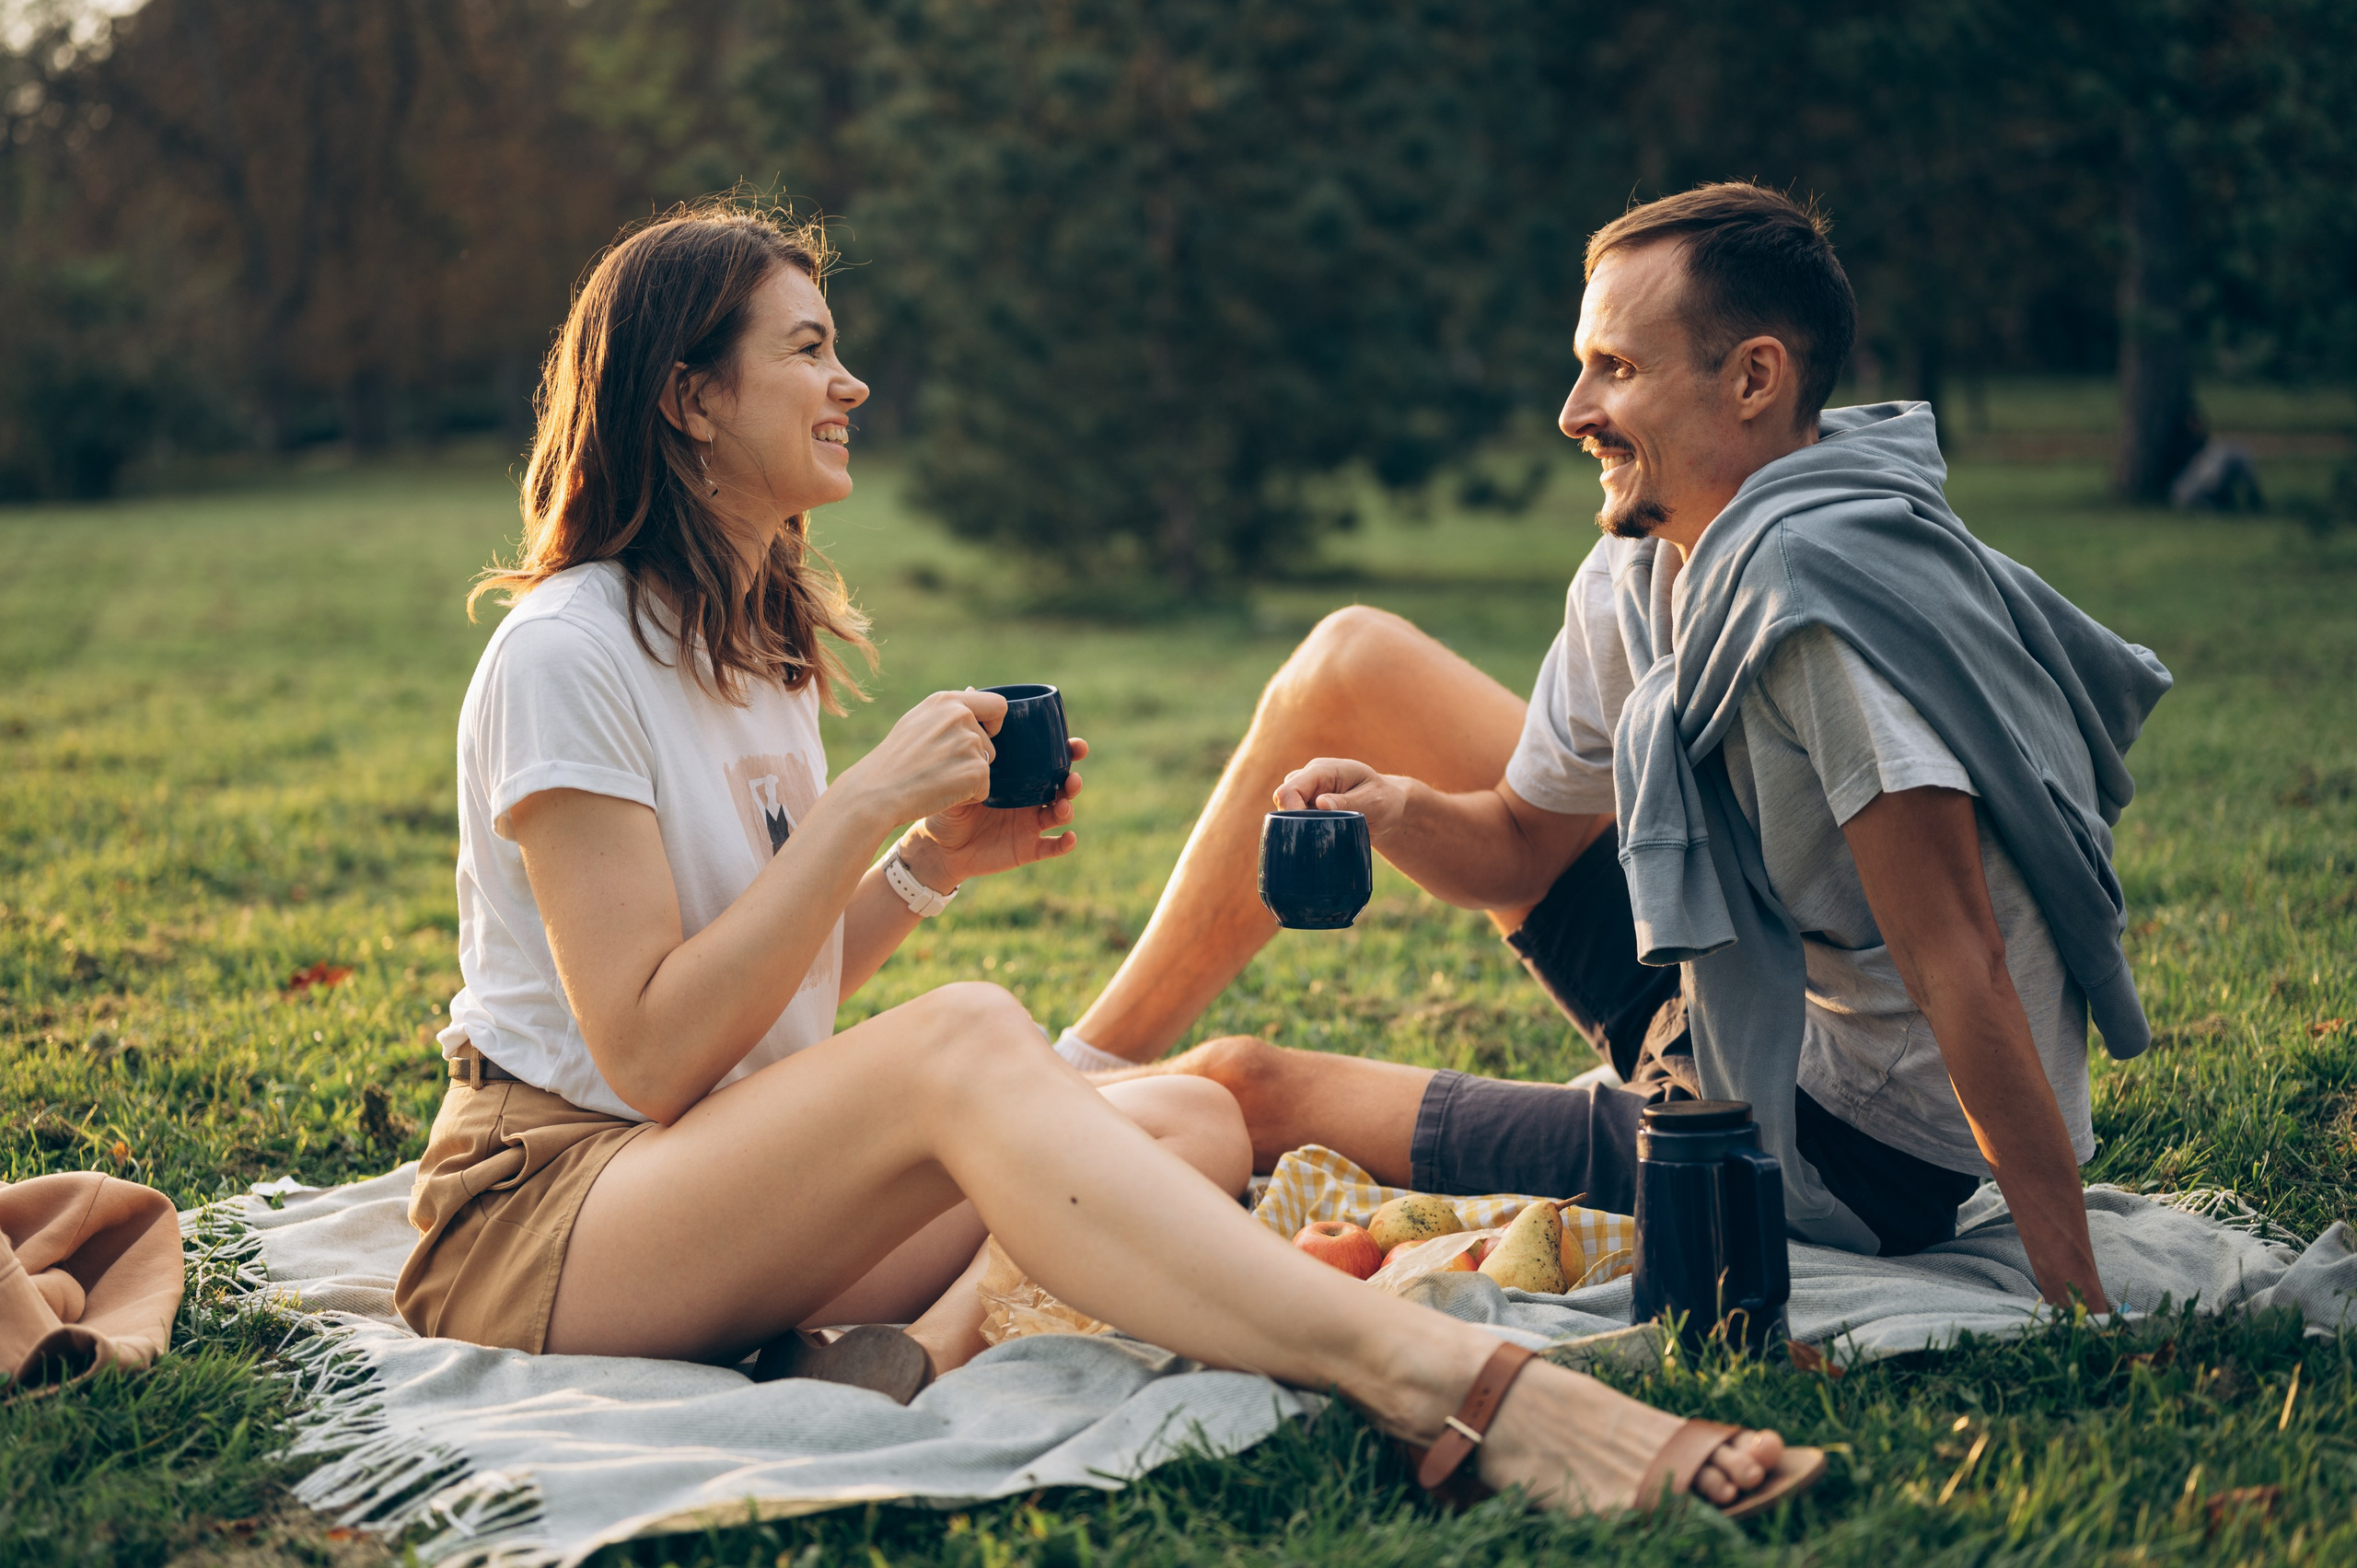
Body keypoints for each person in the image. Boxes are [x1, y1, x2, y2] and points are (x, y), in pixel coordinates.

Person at [391, 199, 1819, 1519]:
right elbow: (647, 1051)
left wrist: (926, 868)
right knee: (967, 1036)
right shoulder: (567, 653)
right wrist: (861, 812)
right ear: (689, 397)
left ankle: (895, 1355)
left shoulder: (749, 647)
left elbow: (762, 1000)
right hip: (554, 1214)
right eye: (812, 349)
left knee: (1191, 1122)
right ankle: (1445, 1383)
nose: (853, 384)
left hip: (710, 1179)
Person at [1060, 183, 2170, 1310]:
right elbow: (1517, 847)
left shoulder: (1815, 615)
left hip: (1832, 1143)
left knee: (1239, 1088)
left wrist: (2075, 1298)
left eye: (1616, 369)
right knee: (1352, 655)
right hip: (1727, 991)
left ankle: (994, 1136)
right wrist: (1396, 809)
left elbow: (1960, 964)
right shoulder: (1649, 558)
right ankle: (1078, 1071)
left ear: (1753, 378)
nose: (1572, 408)